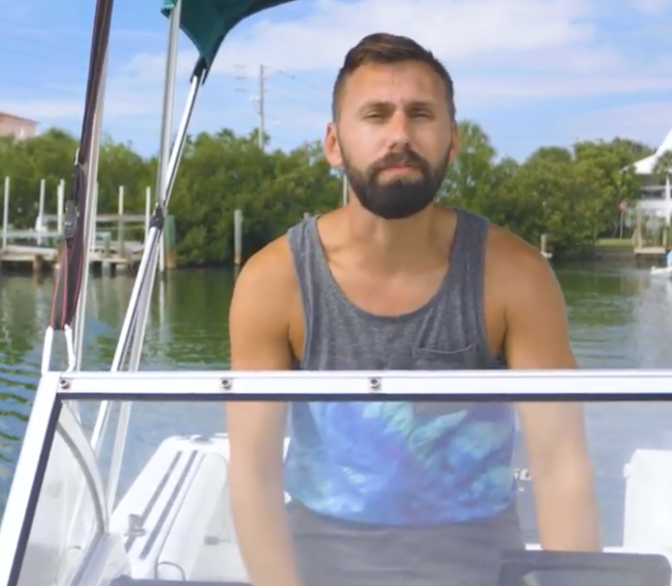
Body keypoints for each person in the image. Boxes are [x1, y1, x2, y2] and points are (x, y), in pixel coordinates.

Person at [226, 32, 602, 586]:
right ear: (334, 143)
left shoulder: (514, 276)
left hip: (482, 566)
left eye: (421, 115)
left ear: (451, 142)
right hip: (321, 563)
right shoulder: (273, 280)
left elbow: (561, 464)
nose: (399, 135)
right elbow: (253, 475)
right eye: (376, 115)